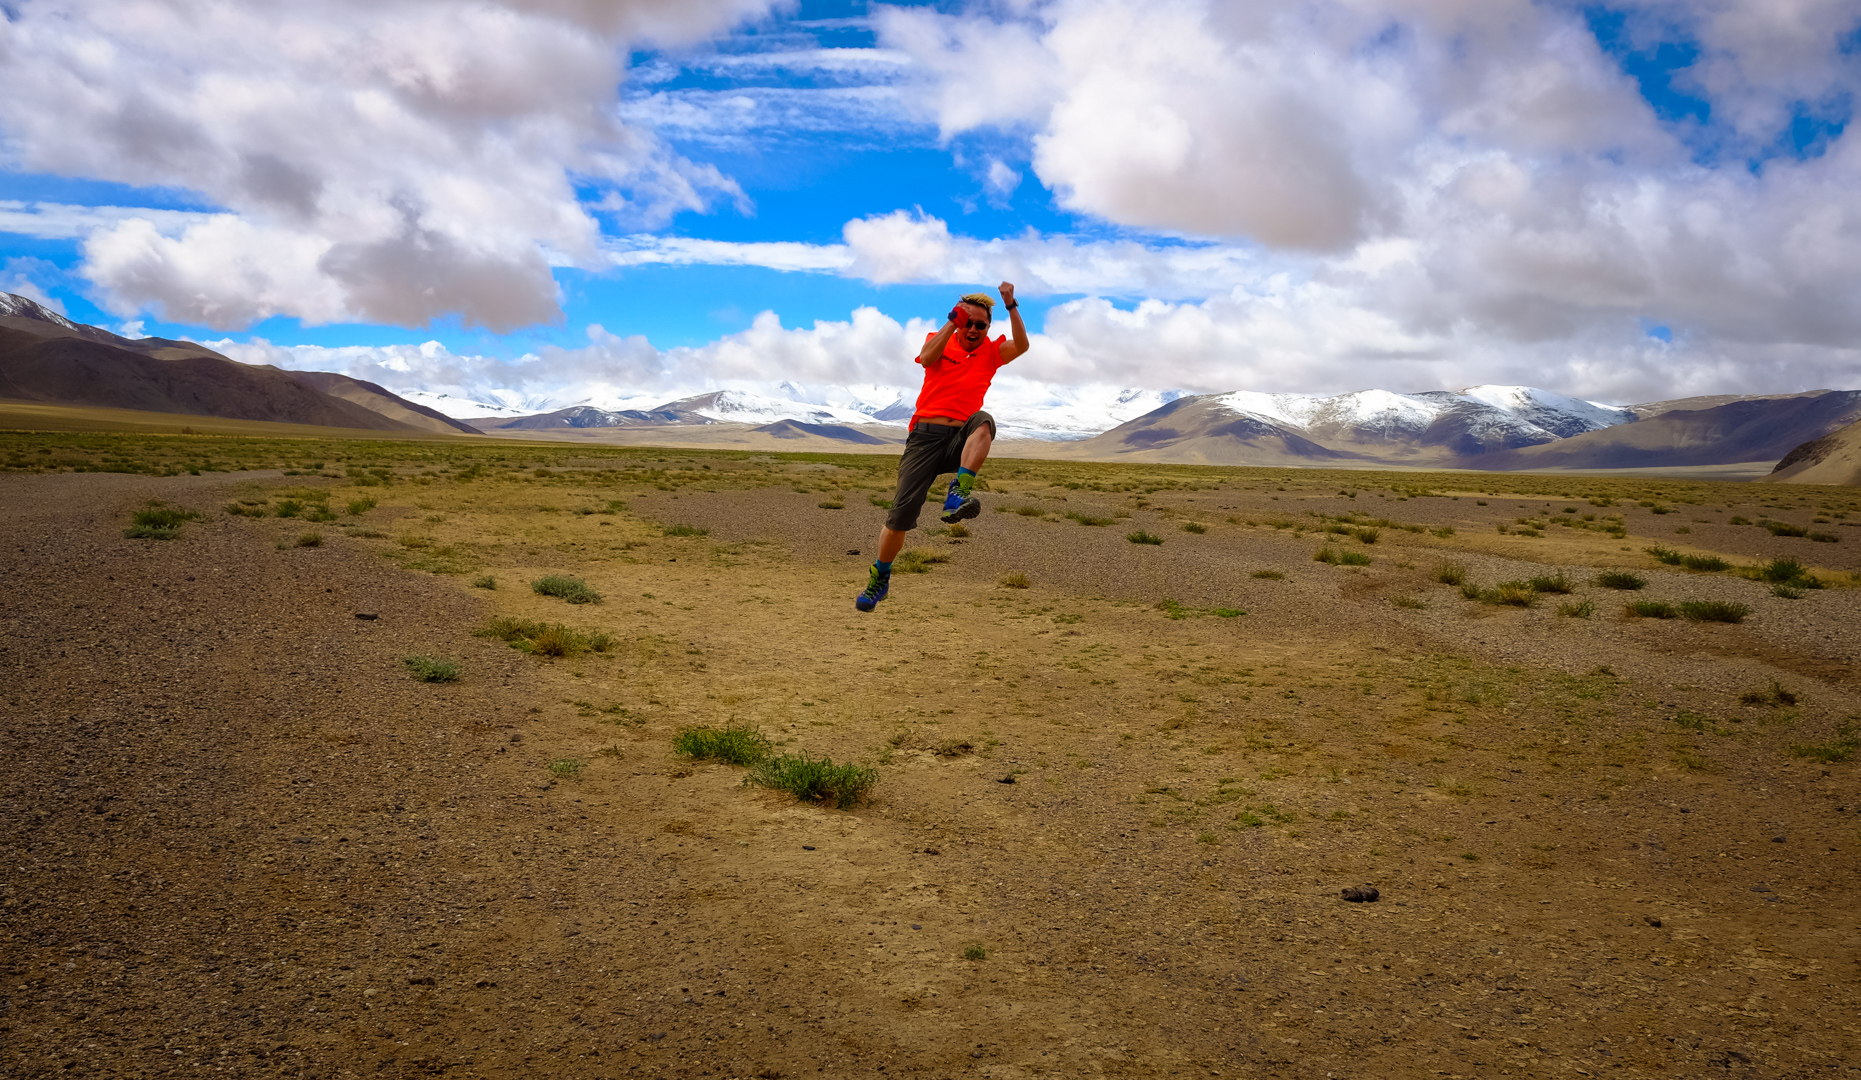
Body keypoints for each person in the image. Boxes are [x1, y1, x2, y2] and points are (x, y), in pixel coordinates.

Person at [855, 282, 1029, 612]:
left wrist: (1011, 305)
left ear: (988, 328)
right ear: (958, 320)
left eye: (981, 325)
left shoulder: (991, 352)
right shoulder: (941, 341)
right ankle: (880, 576)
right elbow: (924, 358)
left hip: (957, 439)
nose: (973, 329)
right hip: (924, 438)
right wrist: (952, 321)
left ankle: (958, 493)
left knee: (984, 421)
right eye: (968, 322)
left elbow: (1022, 345)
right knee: (900, 516)